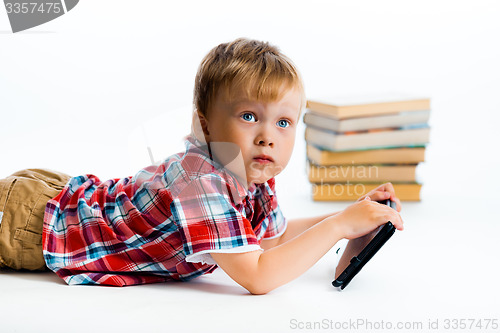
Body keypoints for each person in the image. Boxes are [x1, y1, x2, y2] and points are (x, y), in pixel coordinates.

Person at [0, 38, 403, 294]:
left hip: (62, 200)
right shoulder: (201, 179)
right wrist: (339, 226)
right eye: (249, 116)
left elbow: (270, 241)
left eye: (283, 122)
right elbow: (258, 276)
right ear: (206, 125)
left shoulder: (253, 175)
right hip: (33, 223)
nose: (268, 136)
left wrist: (352, 215)